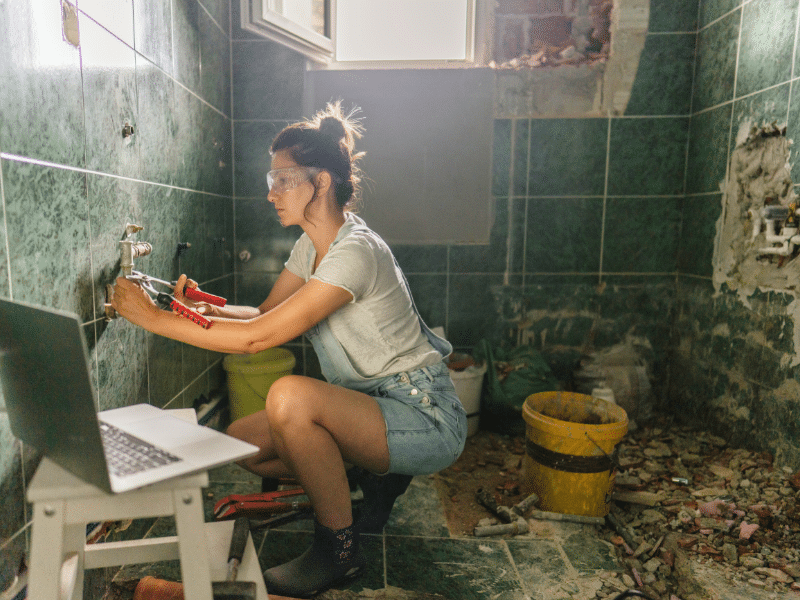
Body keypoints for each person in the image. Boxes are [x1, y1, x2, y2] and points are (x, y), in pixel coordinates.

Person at [111, 102, 467, 598]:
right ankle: (369, 474)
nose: (270, 192)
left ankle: (337, 552)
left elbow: (258, 340)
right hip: (374, 406)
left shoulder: (354, 253)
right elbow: (260, 316)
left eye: (282, 180)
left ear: (319, 183)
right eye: (270, 179)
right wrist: (190, 306)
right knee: (247, 444)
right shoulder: (312, 245)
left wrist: (149, 318)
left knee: (290, 397)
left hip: (423, 414)